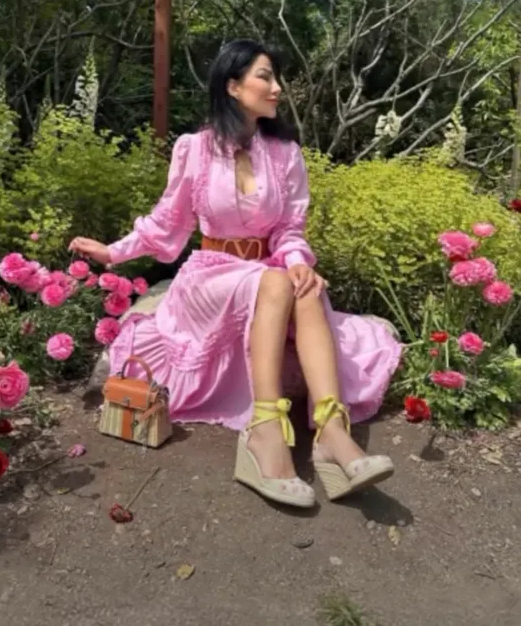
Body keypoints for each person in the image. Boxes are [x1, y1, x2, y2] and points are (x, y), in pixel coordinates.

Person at [70, 40, 401, 509]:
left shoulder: (285, 153)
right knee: (276, 282)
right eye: (265, 76)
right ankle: (264, 433)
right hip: (211, 275)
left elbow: (289, 229)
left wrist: (298, 261)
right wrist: (113, 252)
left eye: (276, 77)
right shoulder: (195, 149)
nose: (277, 87)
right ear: (232, 85)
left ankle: (331, 432)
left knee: (304, 287)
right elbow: (168, 222)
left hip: (265, 269)